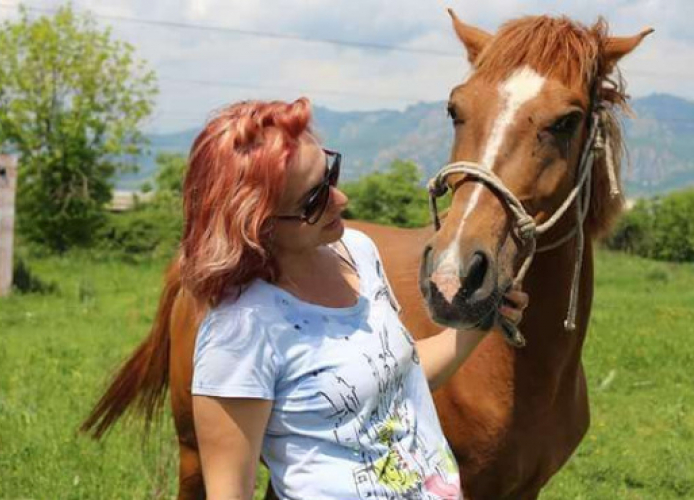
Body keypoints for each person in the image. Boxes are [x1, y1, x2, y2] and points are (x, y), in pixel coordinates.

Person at [180, 97, 528, 500]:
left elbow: (394, 373)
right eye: (313, 200)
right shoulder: (239, 333)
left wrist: (476, 326)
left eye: (330, 173)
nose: (340, 199)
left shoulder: (356, 253)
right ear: (254, 225)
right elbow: (229, 493)